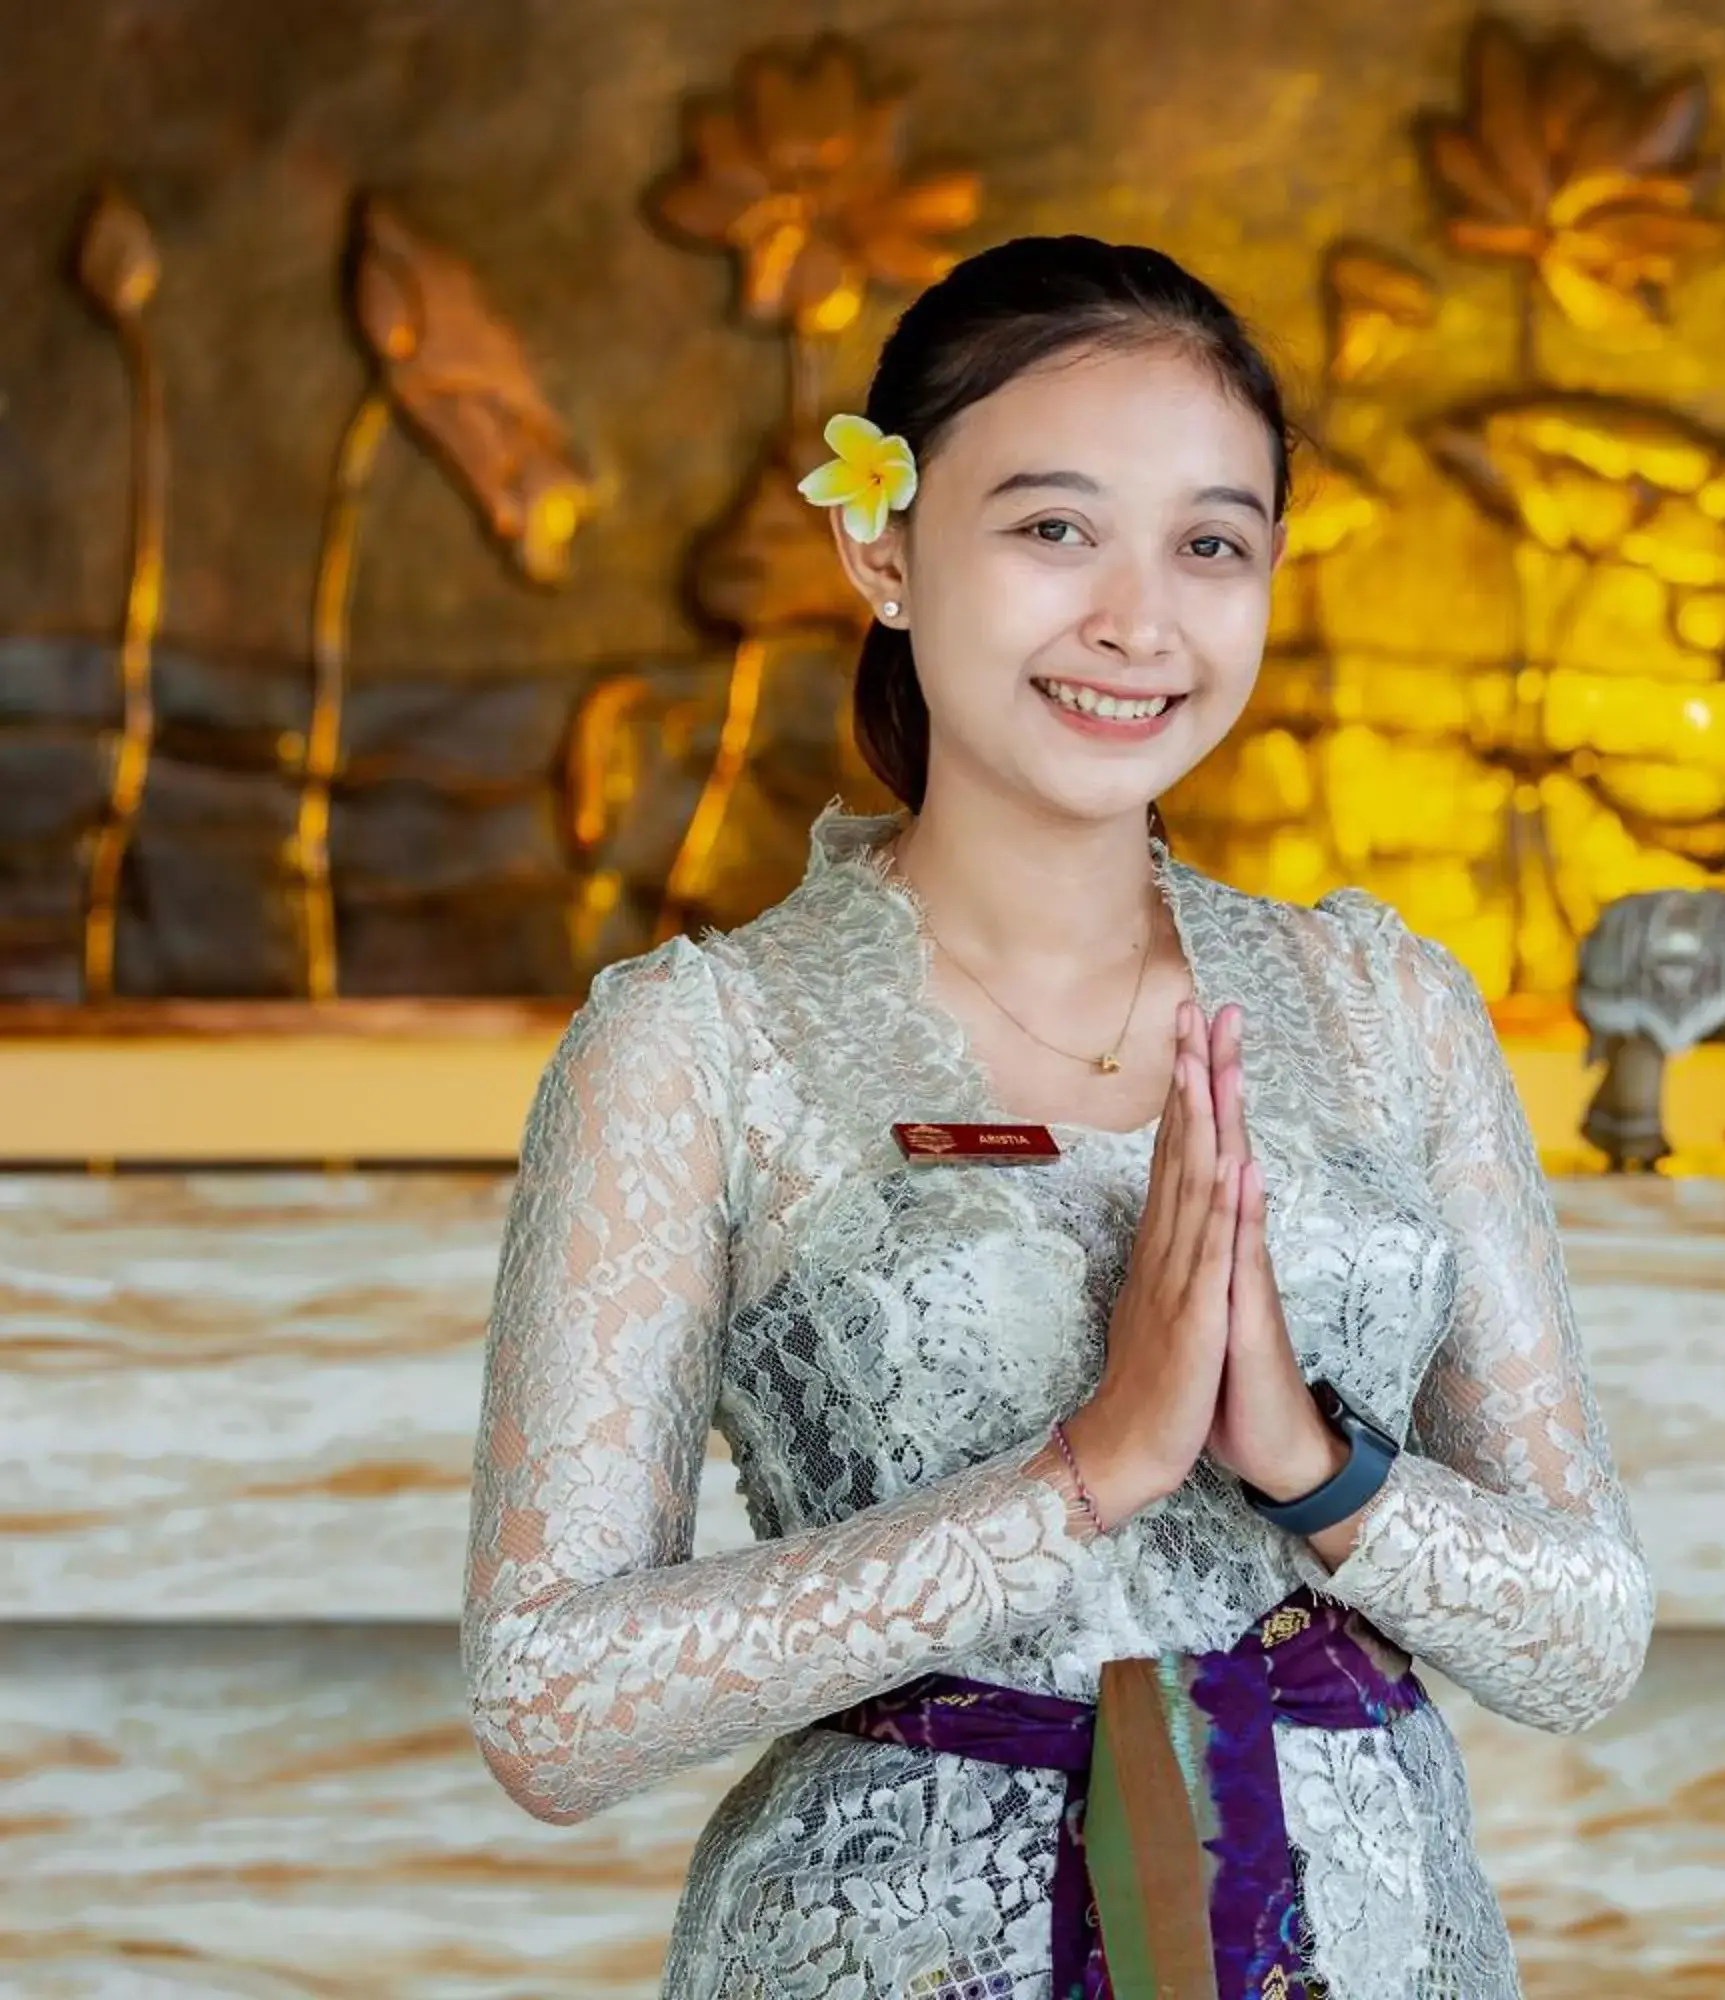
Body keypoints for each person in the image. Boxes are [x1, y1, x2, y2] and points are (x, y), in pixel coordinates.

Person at [461, 235, 1653, 2000]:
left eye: (1211, 544)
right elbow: (548, 1709)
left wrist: (1318, 1470)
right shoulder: (700, 1044)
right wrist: (1084, 1474)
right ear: (882, 546)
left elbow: (1588, 1643)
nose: (1138, 620)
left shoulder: (1381, 1012)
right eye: (1052, 528)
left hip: (1376, 1947)